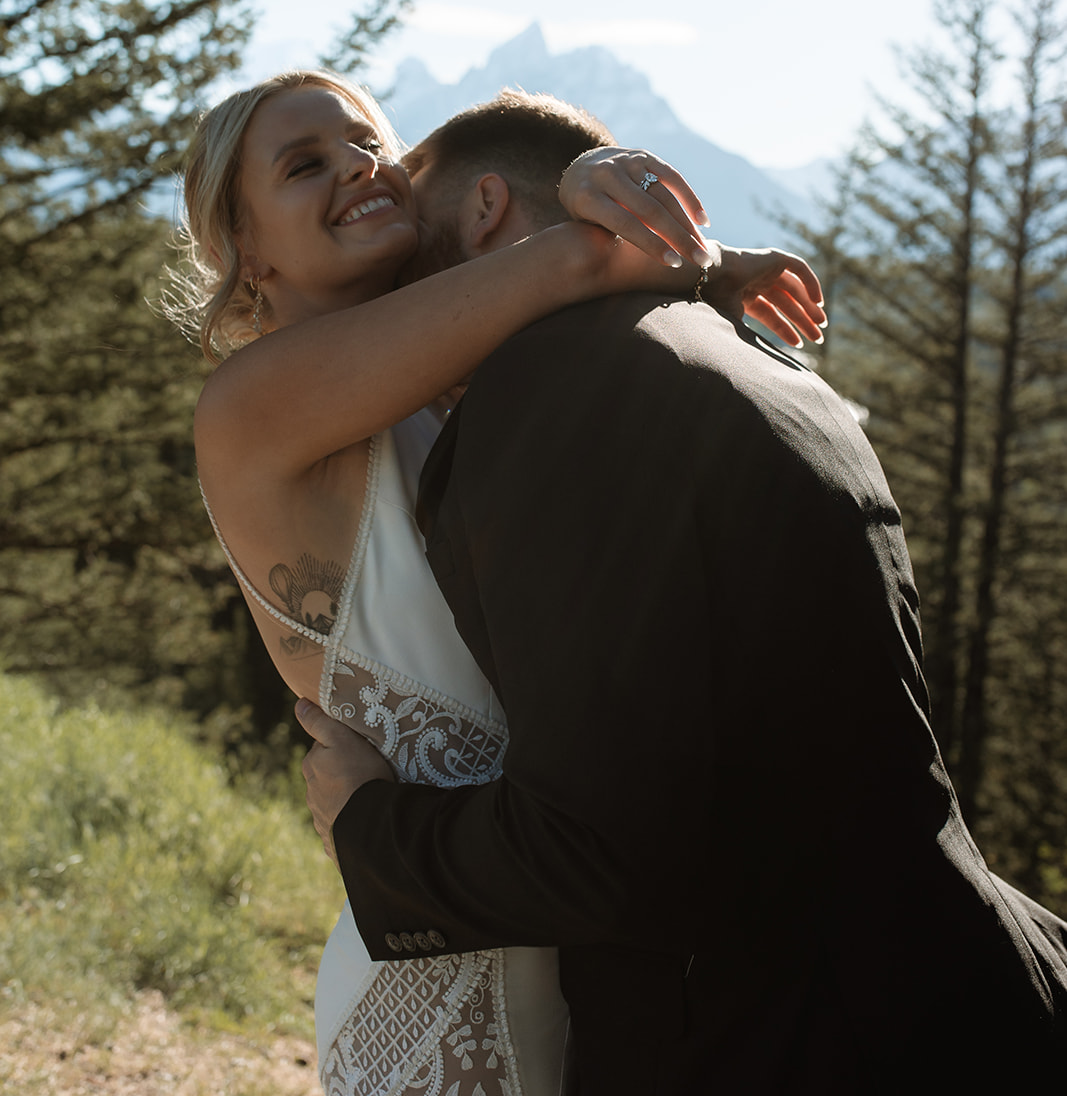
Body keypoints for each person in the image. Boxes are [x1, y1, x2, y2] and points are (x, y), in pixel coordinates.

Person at [299, 93, 1067, 1094]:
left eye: (412, 247)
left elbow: (594, 850)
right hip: (966, 987)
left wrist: (367, 821)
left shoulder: (552, 393)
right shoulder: (759, 359)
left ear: (484, 207)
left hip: (786, 1044)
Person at [175, 69, 823, 1096]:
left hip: (598, 954)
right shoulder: (248, 410)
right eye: (305, 165)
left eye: (367, 144)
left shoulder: (467, 385)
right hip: (443, 988)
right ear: (245, 251)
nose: (355, 165)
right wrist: (606, 193)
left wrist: (634, 233)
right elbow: (563, 263)